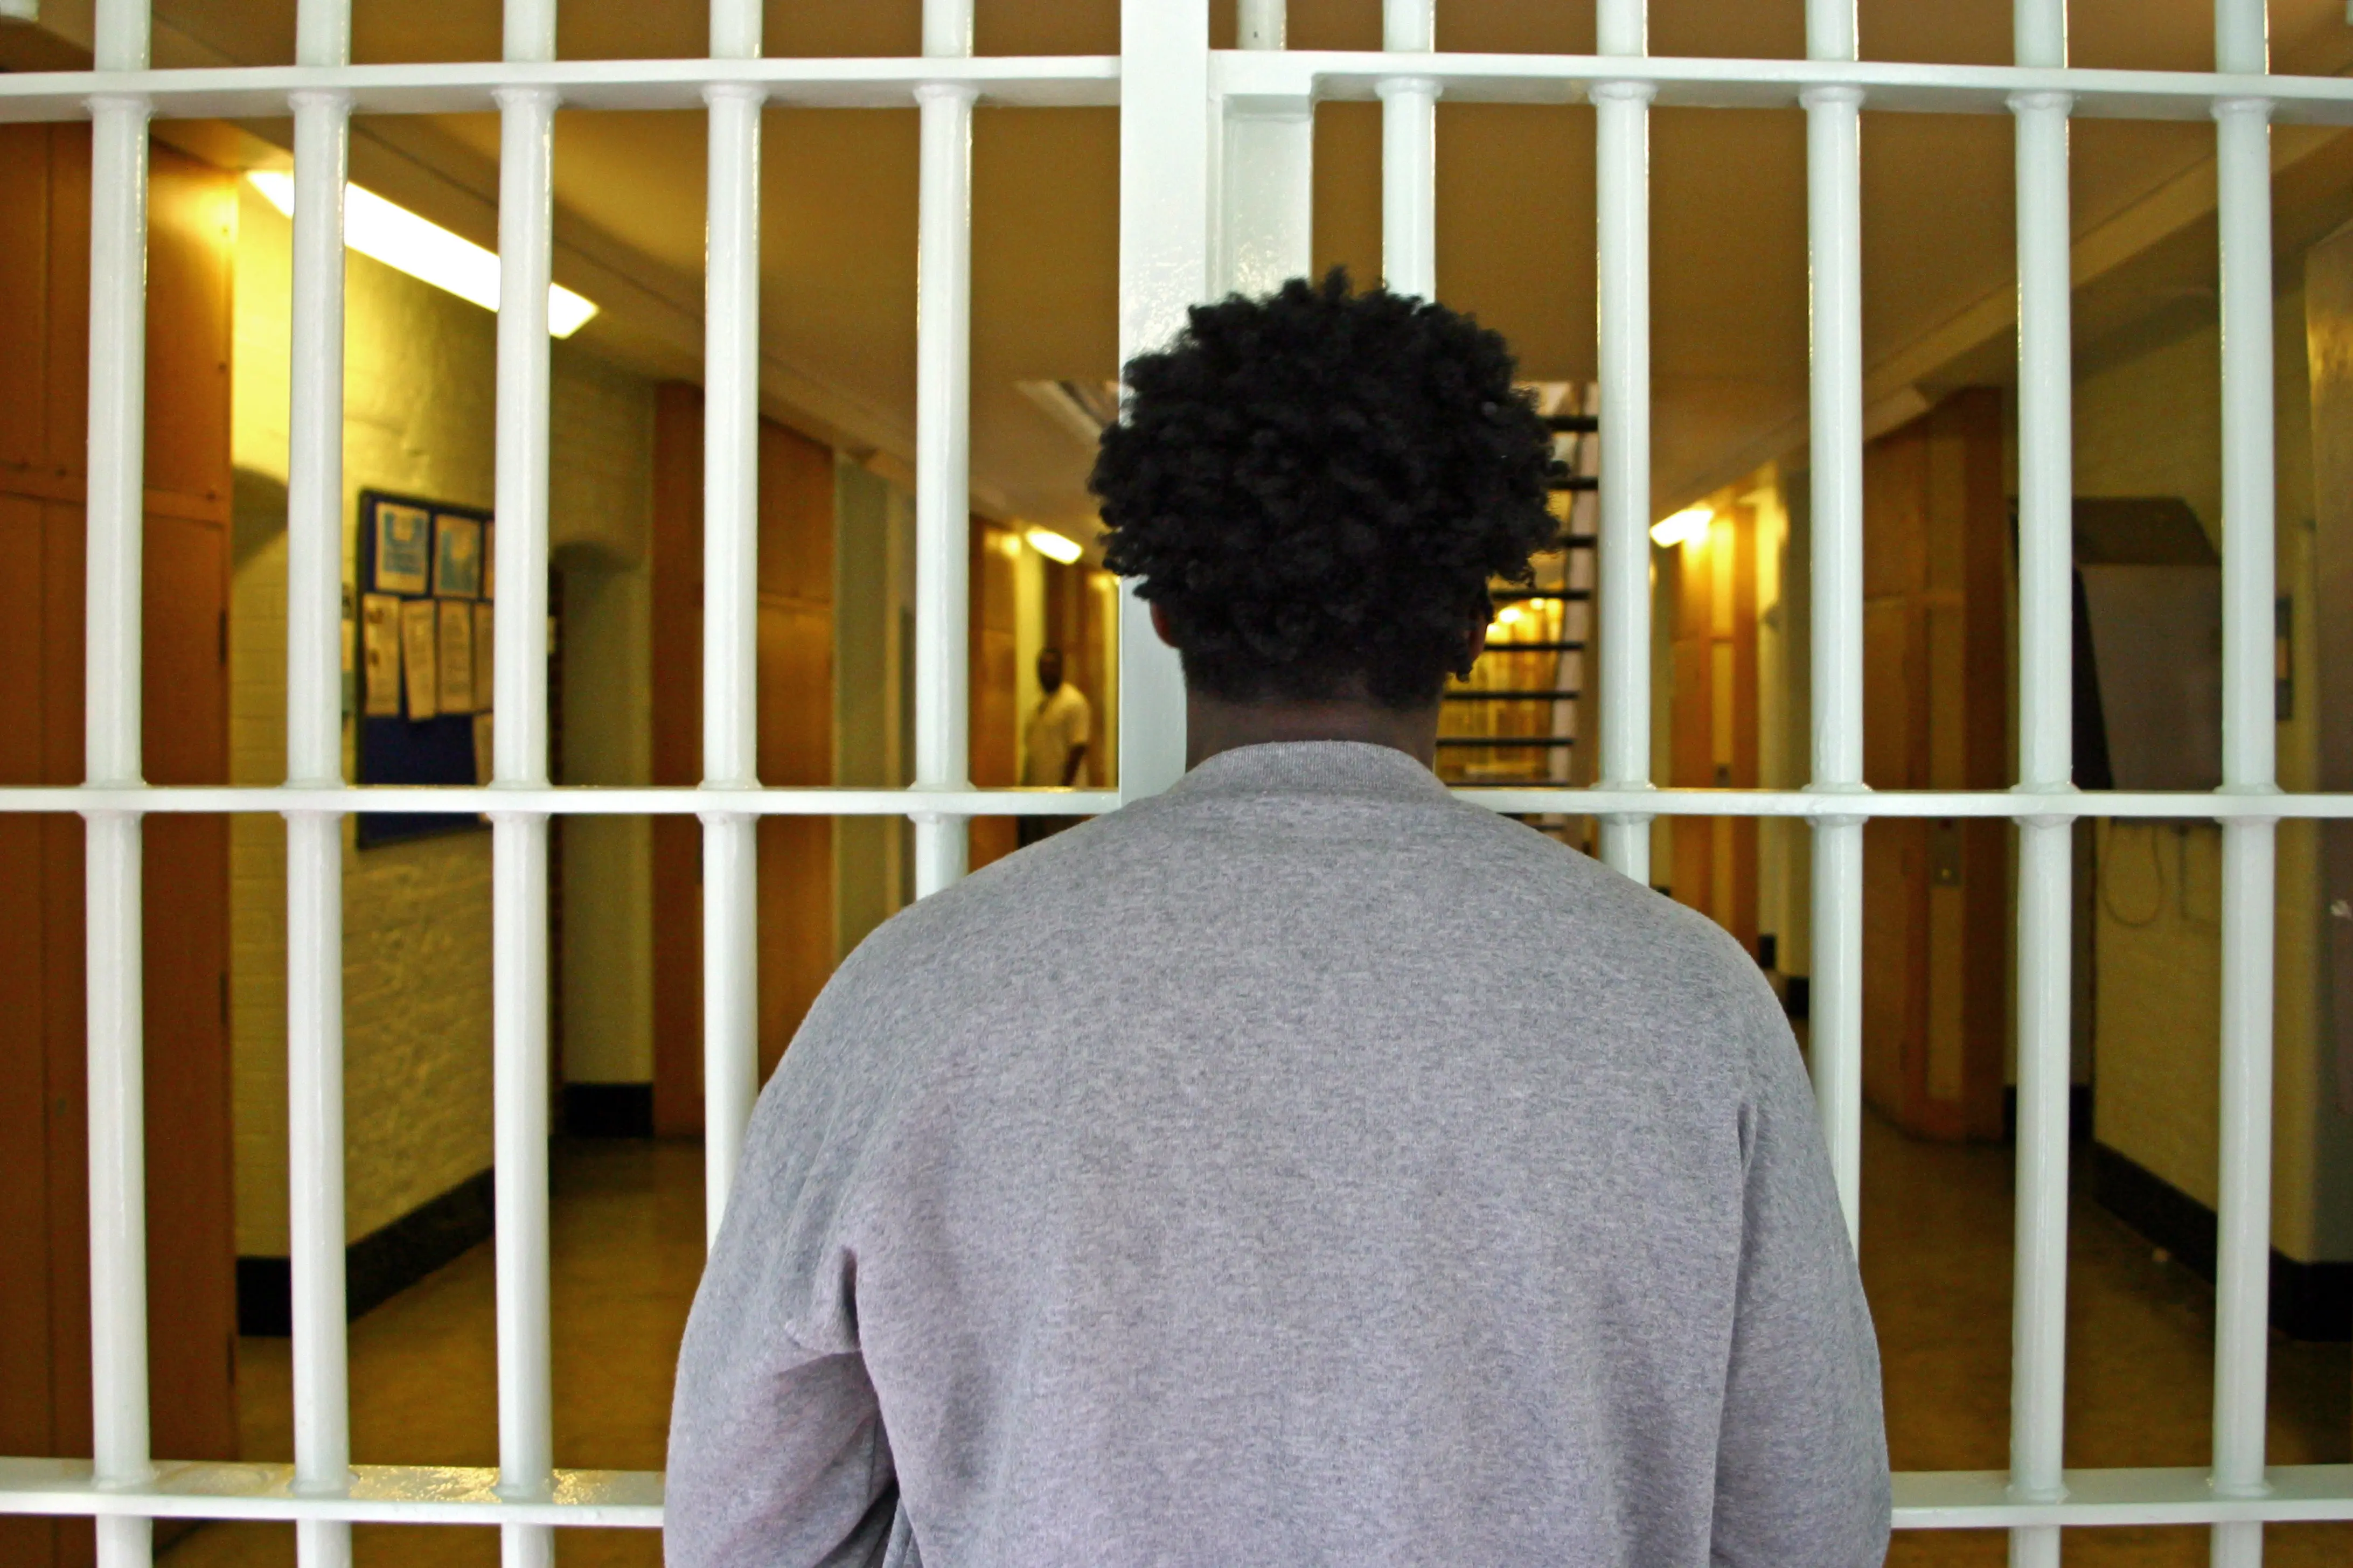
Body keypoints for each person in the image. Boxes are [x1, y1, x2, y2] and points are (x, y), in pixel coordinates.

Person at [665, 271, 1889, 1568]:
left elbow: (748, 1517)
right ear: (1476, 617)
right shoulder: (1691, 1000)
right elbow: (1808, 1517)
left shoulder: (911, 991)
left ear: (1163, 600)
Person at [1018, 648, 1091, 846]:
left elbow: (1079, 747)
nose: (1046, 671)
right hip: (1035, 799)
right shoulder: (1036, 705)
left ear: (1061, 669)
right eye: (1042, 666)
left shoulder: (1073, 702)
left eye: (1051, 666)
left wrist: (1061, 794)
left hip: (1062, 801)